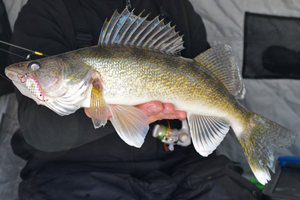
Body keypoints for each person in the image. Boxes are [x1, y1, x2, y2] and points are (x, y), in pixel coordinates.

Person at [9, 0, 261, 199]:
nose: (33, 71)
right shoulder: (45, 10)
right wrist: (101, 115)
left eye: (36, 67)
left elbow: (208, 80)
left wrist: (231, 119)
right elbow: (37, 131)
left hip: (180, 168)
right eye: (36, 67)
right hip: (76, 173)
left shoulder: (175, 6)